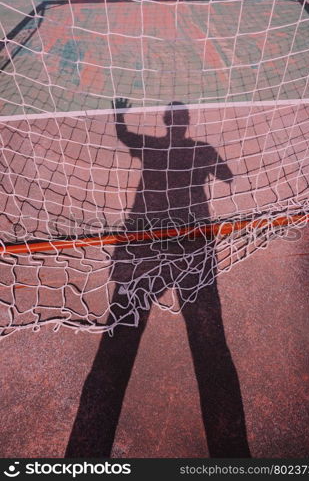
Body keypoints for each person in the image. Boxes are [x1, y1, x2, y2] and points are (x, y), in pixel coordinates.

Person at [66, 100, 250, 458]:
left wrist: (119, 114)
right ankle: (232, 455)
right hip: (192, 248)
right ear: (185, 122)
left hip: (144, 243)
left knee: (118, 341)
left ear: (166, 121)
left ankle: (86, 451)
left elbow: (123, 136)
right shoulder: (200, 149)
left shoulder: (151, 145)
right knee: (210, 344)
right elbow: (228, 176)